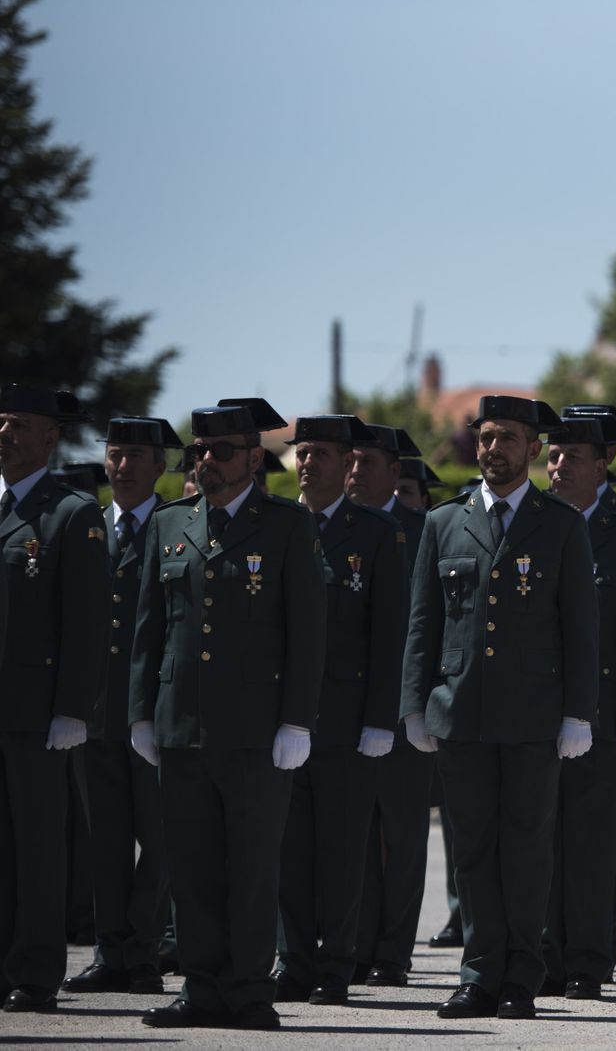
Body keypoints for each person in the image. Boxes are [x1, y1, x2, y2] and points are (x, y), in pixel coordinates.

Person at [129, 402, 327, 1030]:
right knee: (190, 867)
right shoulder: (170, 524)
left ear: (252, 458)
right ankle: (201, 987)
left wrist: (297, 719)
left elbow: (307, 633)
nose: (206, 461)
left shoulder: (287, 526)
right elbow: (148, 629)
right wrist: (141, 712)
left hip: (255, 730)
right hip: (182, 725)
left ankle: (247, 990)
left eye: (220, 451)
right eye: (200, 451)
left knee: (250, 868)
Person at [399, 395, 598, 1021]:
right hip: (461, 712)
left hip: (534, 716)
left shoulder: (561, 524)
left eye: (507, 439)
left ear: (533, 449)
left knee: (527, 849)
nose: (493, 450)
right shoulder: (444, 522)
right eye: (485, 438)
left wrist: (578, 714)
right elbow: (423, 623)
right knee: (472, 851)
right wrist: (413, 705)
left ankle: (522, 975)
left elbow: (580, 631)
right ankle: (479, 973)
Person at [274, 415, 406, 1006]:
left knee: (343, 853)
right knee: (287, 852)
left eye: (322, 453)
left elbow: (389, 634)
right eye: (302, 452)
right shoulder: (274, 525)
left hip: (346, 720)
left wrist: (382, 717)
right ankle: (294, 960)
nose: (308, 463)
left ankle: (336, 965)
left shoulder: (375, 533)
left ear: (346, 462)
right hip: (279, 720)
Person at [541, 413, 616, 999]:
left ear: (602, 463)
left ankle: (588, 957)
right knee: (533, 838)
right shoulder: (529, 523)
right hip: (533, 707)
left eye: (571, 456)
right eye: (552, 454)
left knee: (591, 840)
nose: (557, 465)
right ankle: (541, 952)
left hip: (602, 709)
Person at [63, 418, 183, 999]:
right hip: (93, 708)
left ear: (161, 466)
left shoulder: (175, 526)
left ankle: (145, 951)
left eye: (137, 455)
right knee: (104, 840)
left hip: (153, 710)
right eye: (116, 454)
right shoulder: (85, 525)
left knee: (159, 841)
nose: (124, 466)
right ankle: (111, 952)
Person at [0, 384, 109, 1013]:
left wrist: (73, 707)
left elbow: (87, 621)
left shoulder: (71, 513)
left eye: (18, 424)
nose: (6, 434)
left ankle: (35, 973)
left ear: (49, 437)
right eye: (1, 422)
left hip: (38, 710)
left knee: (38, 846)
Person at [346, 424, 432, 988]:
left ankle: (392, 951)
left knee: (399, 838)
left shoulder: (423, 532)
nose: (354, 474)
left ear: (394, 472)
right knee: (347, 836)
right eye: (348, 463)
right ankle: (350, 944)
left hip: (403, 711)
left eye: (367, 464)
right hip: (342, 709)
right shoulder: (324, 529)